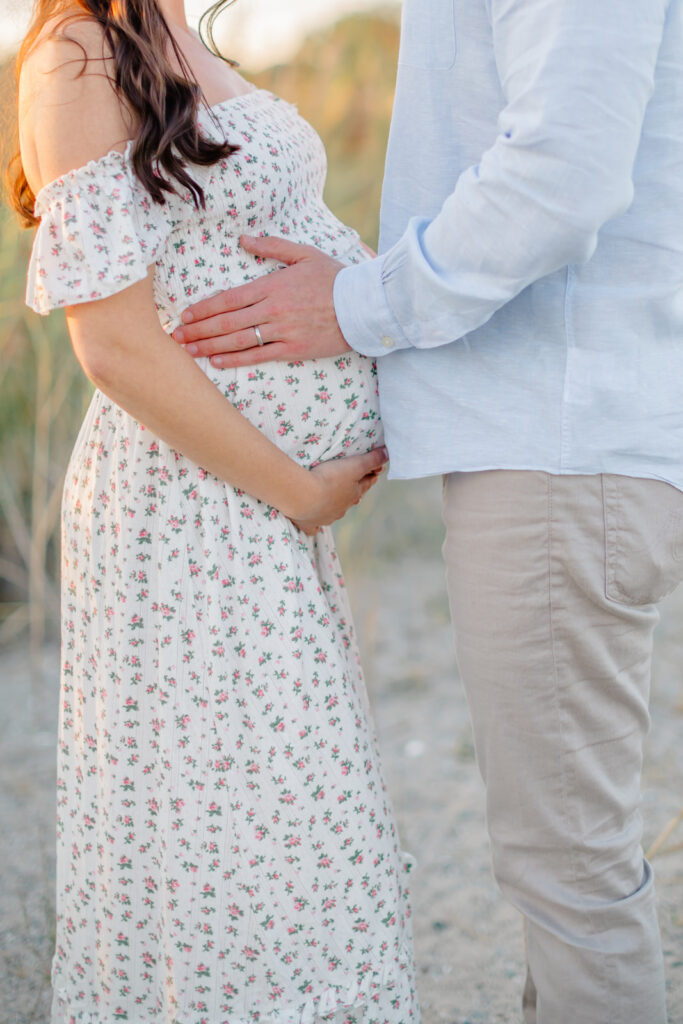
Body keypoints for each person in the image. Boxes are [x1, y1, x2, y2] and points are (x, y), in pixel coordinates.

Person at [173, 0, 683, 1021]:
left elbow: (561, 175)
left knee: (570, 874)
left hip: (557, 443)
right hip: (555, 442)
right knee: (566, 865)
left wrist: (356, 304)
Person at [12, 1, 420, 1020]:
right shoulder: (77, 53)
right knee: (234, 838)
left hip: (252, 509)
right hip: (190, 507)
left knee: (298, 811)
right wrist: (301, 488)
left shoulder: (181, 36)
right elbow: (112, 344)